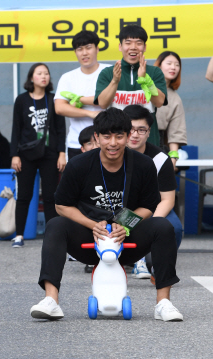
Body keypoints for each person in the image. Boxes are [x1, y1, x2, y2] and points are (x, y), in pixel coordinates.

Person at [30, 107, 183, 322]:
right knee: (55, 225)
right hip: (90, 236)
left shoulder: (144, 165)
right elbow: (62, 205)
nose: (113, 143)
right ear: (96, 137)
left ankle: (163, 302)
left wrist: (126, 224)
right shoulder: (79, 164)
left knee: (164, 227)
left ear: (128, 136)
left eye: (119, 136)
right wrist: (92, 224)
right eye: (106, 136)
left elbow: (149, 206)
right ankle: (51, 300)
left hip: (126, 237)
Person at [10, 63, 66, 248]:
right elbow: (16, 130)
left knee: (51, 196)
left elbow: (60, 129)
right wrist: (14, 155)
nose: (44, 76)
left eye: (46, 73)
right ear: (31, 77)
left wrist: (61, 153)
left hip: (50, 153)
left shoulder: (53, 99)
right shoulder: (22, 100)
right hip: (26, 153)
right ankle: (19, 235)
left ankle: (52, 235)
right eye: (39, 73)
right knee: (24, 195)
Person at [124, 105, 183, 279]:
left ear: (149, 132)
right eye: (130, 129)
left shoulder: (160, 159)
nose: (135, 135)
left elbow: (167, 200)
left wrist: (154, 224)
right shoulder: (112, 154)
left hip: (154, 209)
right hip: (121, 210)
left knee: (174, 228)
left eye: (141, 130)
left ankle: (159, 264)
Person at [95, 25, 167, 147]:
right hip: (117, 143)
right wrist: (114, 81)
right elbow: (102, 103)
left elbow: (159, 102)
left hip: (148, 142)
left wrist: (145, 81)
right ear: (120, 46)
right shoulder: (108, 73)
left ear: (144, 47)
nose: (133, 47)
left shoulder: (155, 72)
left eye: (138, 43)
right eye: (128, 43)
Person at [54, 31, 110, 160]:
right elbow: (60, 108)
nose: (84, 53)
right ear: (75, 52)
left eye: (88, 48)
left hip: (107, 142)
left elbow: (108, 99)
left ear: (97, 48)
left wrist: (79, 100)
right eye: (80, 49)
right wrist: (90, 114)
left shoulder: (109, 71)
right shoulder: (67, 77)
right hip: (77, 143)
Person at [154, 51, 187, 167]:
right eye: (169, 63)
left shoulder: (175, 98)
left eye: (177, 65)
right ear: (159, 66)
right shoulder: (145, 86)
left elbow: (176, 131)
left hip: (159, 145)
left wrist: (173, 156)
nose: (173, 67)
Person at [76, 125, 100, 272]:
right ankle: (91, 256)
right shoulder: (77, 168)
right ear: (82, 149)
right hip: (88, 214)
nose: (93, 147)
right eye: (89, 143)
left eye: (95, 142)